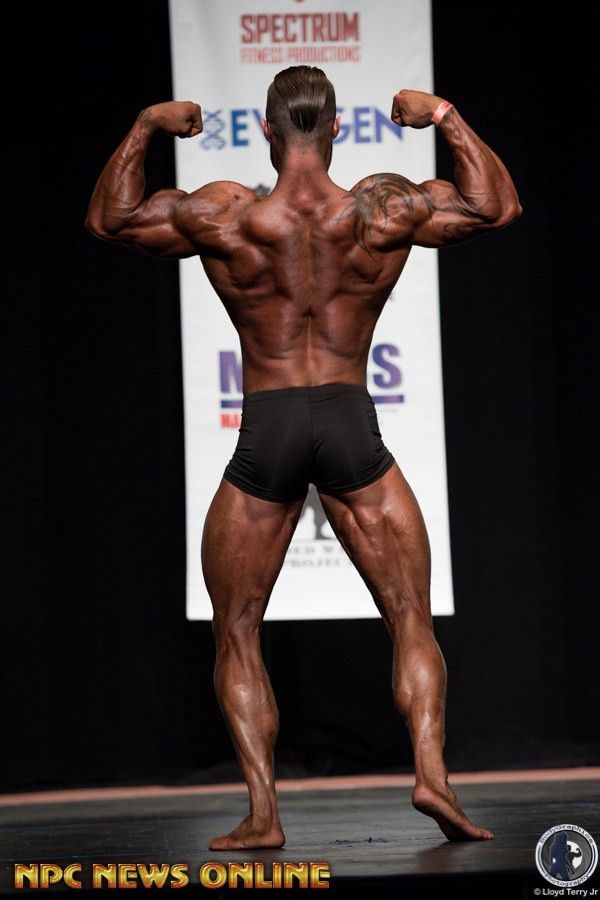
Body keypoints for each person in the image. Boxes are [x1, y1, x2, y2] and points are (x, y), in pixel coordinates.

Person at [85, 65, 521, 850]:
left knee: (237, 630)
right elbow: (498, 207)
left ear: (264, 130)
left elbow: (109, 221)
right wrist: (444, 115)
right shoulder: (381, 207)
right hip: (350, 421)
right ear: (338, 129)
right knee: (410, 617)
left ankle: (264, 814)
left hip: (269, 427)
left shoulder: (228, 213)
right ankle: (432, 775)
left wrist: (147, 125)